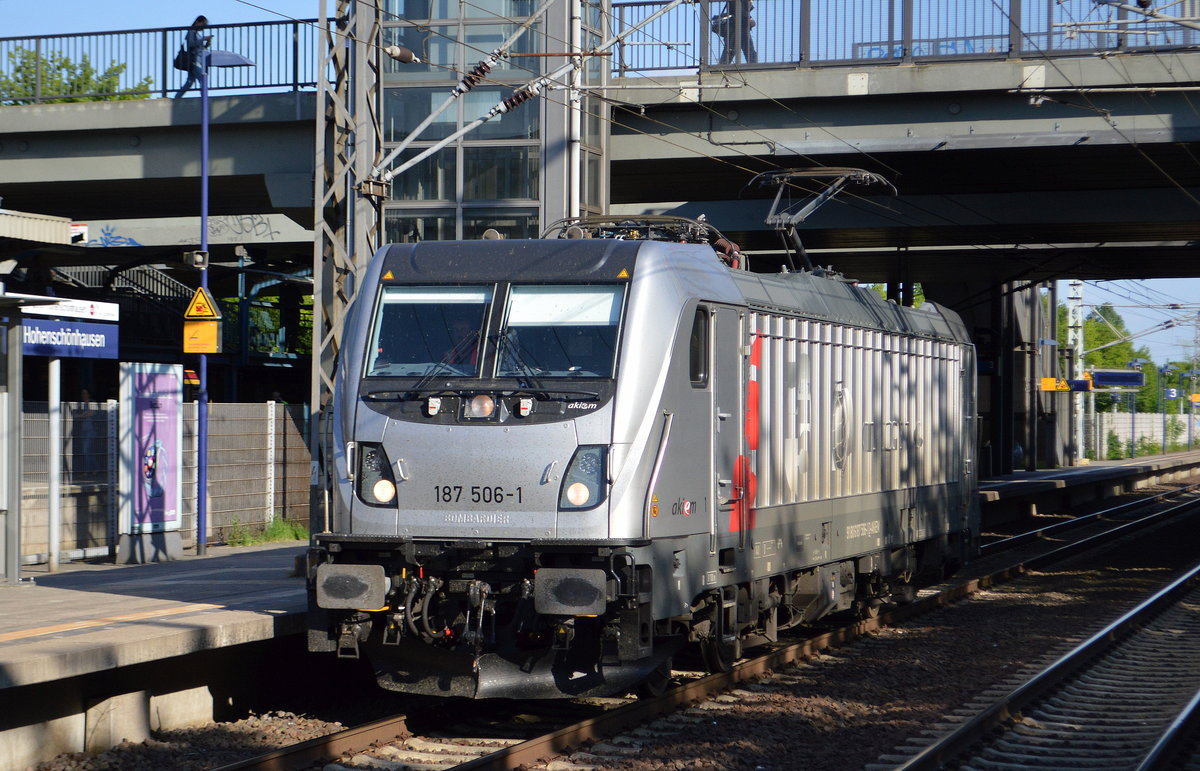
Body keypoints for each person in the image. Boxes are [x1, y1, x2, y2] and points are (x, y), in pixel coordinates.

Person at [174, 15, 212, 100]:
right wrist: (203, 39)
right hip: (193, 60)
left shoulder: (196, 34)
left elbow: (201, 48)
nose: (203, 28)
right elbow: (191, 44)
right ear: (197, 22)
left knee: (190, 81)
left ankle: (177, 98)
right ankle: (204, 99)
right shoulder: (191, 32)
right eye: (203, 25)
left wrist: (207, 43)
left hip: (197, 60)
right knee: (202, 78)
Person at [716, 0, 757, 66]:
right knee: (749, 52)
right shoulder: (738, 3)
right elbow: (741, 13)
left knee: (730, 52)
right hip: (739, 29)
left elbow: (740, 12)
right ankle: (754, 67)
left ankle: (721, 67)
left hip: (735, 28)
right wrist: (750, 21)